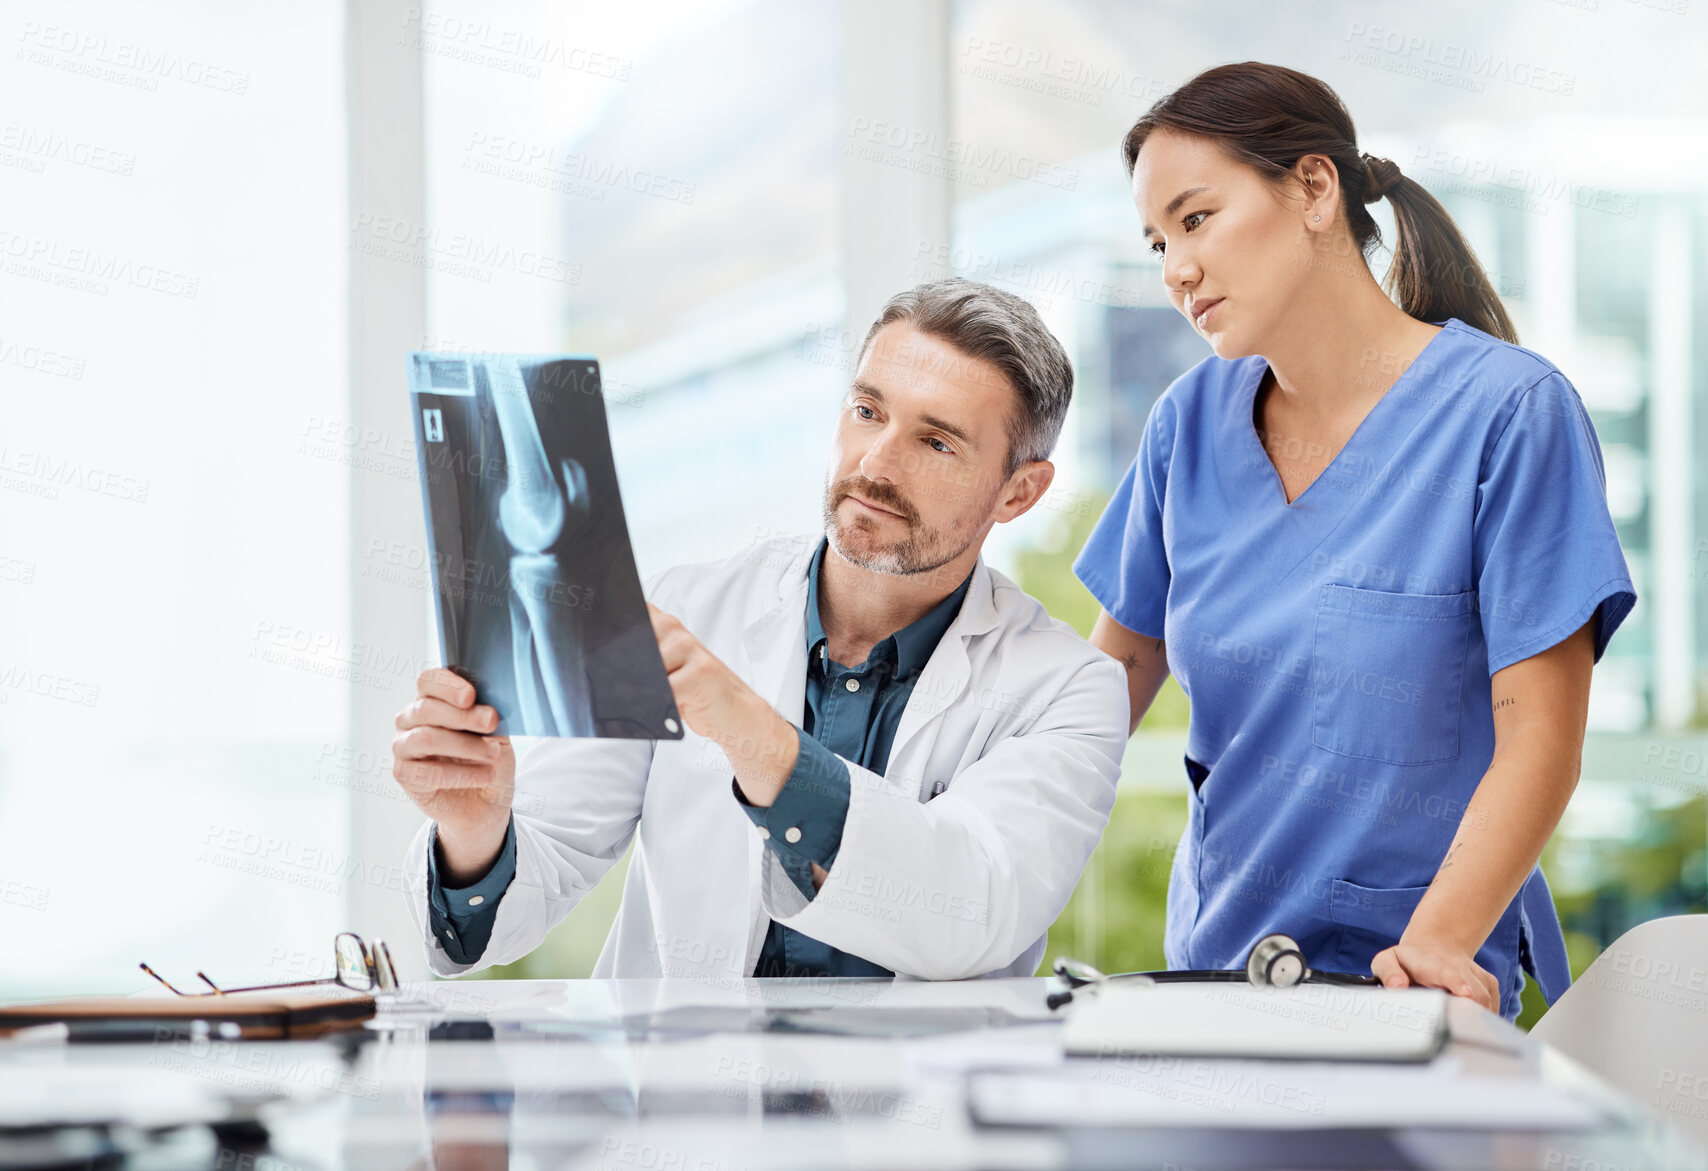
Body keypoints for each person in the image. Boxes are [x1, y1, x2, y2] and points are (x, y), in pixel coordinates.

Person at [1075, 62, 1635, 1020]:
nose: (1175, 269)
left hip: (1420, 987)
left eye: (1196, 219)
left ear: (1313, 189)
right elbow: (1099, 694)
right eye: (1158, 240)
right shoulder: (1188, 427)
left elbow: (1542, 736)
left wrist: (1435, 949)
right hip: (1217, 982)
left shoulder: (1510, 415)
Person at [391, 277, 1129, 982]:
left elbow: (974, 910)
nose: (875, 463)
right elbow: (536, 878)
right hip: (683, 1101)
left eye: (936, 443)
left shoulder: (1068, 688)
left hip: (916, 1106)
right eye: (868, 411)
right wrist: (475, 829)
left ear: (1019, 490)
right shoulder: (687, 608)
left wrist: (755, 735)